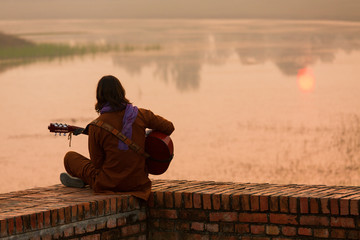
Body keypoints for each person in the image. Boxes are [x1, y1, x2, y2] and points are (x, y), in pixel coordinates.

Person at [60, 75, 175, 201]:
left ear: (99, 96)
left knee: (69, 158)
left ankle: (83, 180)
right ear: (122, 92)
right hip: (139, 183)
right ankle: (83, 180)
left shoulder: (96, 126)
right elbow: (169, 127)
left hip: (109, 183)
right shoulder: (141, 115)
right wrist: (146, 135)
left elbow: (97, 163)